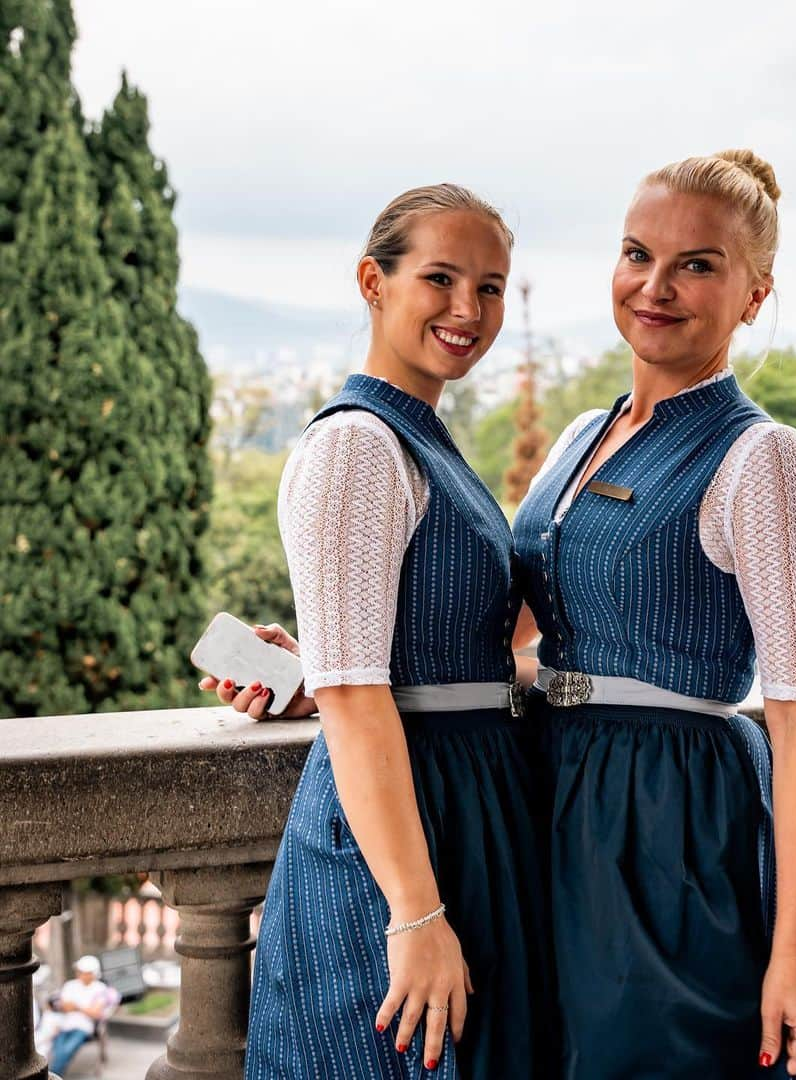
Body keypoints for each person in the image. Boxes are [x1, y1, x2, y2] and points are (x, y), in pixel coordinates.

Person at [202, 184, 553, 1078]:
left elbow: (411, 657)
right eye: (440, 278)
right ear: (374, 280)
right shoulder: (360, 444)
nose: (468, 310)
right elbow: (360, 704)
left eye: (492, 286)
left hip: (461, 804)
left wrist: (313, 670)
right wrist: (416, 914)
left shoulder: (419, 435)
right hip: (403, 843)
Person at [512, 149, 796, 1078]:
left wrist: (795, 953)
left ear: (753, 295)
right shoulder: (582, 434)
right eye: (636, 254)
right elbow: (505, 634)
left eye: (697, 264)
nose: (655, 286)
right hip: (549, 792)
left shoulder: (765, 461)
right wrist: (326, 671)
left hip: (671, 819)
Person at [35, 955, 119, 1076]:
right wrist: (81, 1008)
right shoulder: (70, 985)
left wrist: (77, 1007)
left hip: (83, 1028)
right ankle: (53, 1075)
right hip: (64, 1025)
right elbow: (63, 1006)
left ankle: (52, 1076)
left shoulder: (100, 988)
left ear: (92, 973)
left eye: (83, 972)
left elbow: (95, 1013)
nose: (80, 974)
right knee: (57, 1050)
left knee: (66, 1051)